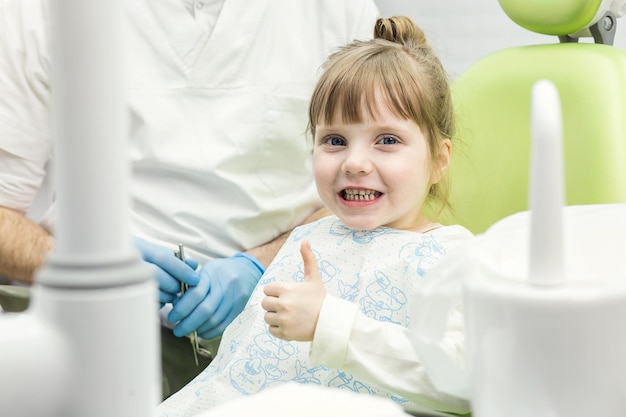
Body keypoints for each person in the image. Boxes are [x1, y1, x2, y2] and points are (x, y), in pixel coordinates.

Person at [0, 0, 379, 397]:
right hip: (88, 324)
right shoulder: (39, 10)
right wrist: (82, 265)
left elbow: (382, 193)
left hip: (280, 321)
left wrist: (262, 266)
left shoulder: (337, 11)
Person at [156, 16, 472, 416]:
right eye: (334, 140)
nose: (355, 162)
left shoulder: (452, 257)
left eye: (387, 140)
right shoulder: (308, 242)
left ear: (440, 160)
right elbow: (238, 371)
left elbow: (466, 379)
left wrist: (331, 325)